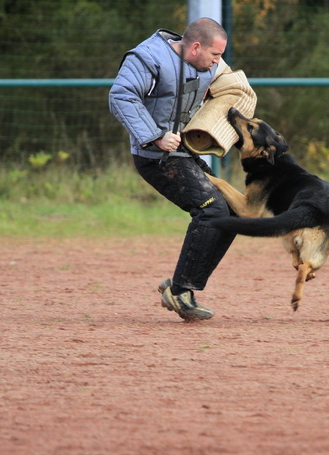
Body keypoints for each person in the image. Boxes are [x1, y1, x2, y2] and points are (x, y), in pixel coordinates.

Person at [109, 18, 236, 321]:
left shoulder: (207, 63)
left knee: (233, 210)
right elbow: (121, 95)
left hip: (184, 153)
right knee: (212, 210)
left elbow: (232, 86)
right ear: (195, 47)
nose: (219, 63)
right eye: (215, 56)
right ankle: (180, 291)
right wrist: (155, 135)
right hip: (156, 157)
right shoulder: (147, 58)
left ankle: (180, 283)